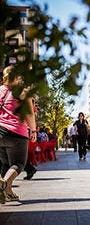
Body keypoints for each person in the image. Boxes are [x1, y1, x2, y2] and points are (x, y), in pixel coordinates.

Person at [0, 65, 37, 204]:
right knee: (18, 164)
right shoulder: (23, 92)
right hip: (16, 133)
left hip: (0, 132)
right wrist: (33, 131)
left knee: (4, 163)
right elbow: (29, 114)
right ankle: (3, 183)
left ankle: (7, 192)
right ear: (17, 78)